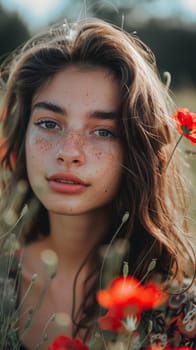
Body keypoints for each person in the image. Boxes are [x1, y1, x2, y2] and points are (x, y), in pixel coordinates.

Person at [0, 18, 195, 350]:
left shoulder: (181, 314)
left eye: (103, 131)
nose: (69, 152)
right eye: (49, 123)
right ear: (21, 137)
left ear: (137, 151)